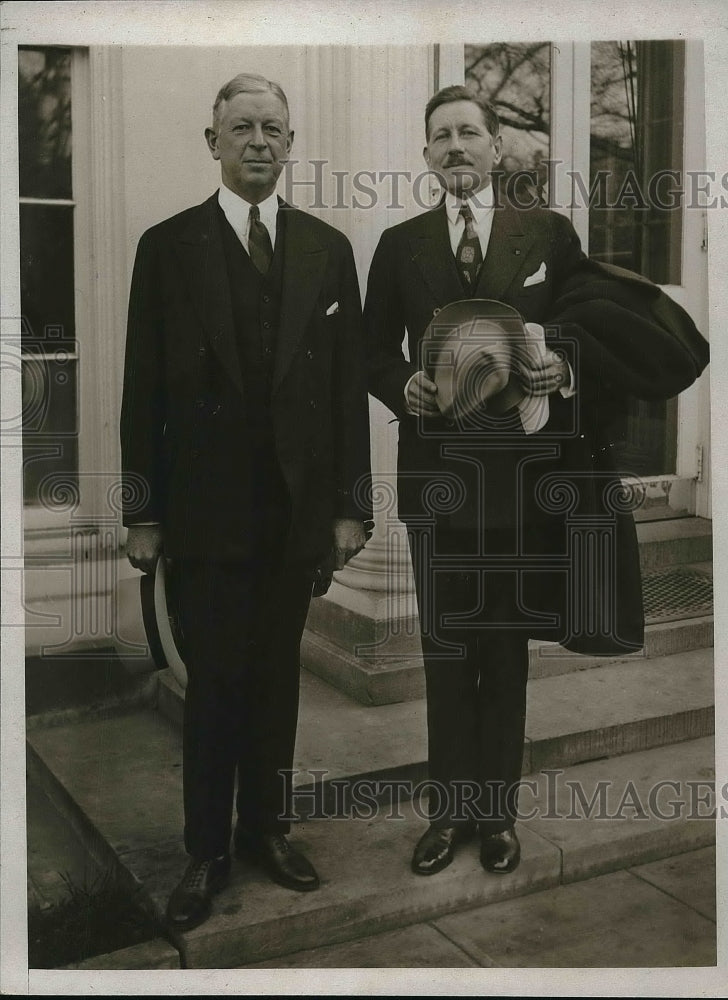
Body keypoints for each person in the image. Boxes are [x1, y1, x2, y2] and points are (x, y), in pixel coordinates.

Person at [364, 85, 707, 878]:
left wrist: (562, 363)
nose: (455, 147)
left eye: (469, 134)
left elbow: (594, 329)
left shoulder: (548, 232)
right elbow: (371, 348)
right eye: (441, 136)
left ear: (496, 149)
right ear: (426, 155)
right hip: (440, 483)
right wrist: (401, 384)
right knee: (447, 649)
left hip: (525, 482)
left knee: (507, 649)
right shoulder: (398, 244)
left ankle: (497, 819)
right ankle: (446, 818)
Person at [120, 73, 371, 931]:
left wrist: (350, 509)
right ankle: (205, 851)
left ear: (290, 144)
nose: (260, 141)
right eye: (243, 128)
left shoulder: (328, 250)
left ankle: (267, 830)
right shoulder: (167, 247)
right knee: (214, 684)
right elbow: (140, 388)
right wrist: (142, 513)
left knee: (275, 683)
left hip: (294, 518)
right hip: (200, 518)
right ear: (213, 141)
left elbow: (345, 395)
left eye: (274, 128)